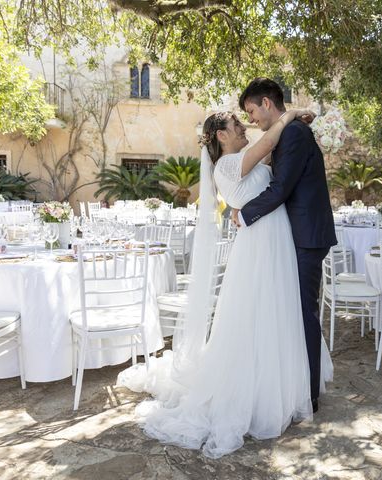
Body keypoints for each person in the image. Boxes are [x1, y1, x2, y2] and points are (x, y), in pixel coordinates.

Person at [118, 107, 333, 459]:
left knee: (275, 310)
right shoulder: (228, 165)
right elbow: (267, 143)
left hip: (272, 238)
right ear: (221, 135)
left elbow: (275, 175)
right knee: (257, 312)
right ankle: (255, 389)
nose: (244, 126)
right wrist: (290, 114)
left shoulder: (240, 162)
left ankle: (276, 382)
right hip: (261, 243)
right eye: (237, 124)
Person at [233, 78, 337, 412]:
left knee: (305, 313)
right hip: (301, 234)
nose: (252, 120)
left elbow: (281, 189)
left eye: (252, 111)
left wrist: (244, 215)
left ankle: (308, 394)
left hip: (307, 237)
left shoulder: (293, 135)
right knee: (294, 311)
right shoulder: (288, 132)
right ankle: (297, 383)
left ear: (266, 103)